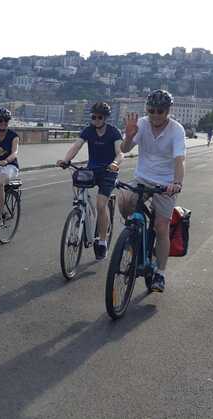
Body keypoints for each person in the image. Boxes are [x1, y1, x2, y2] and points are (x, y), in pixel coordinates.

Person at [118, 89, 185, 292]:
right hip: (142, 178)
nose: (155, 114)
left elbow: (180, 160)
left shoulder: (177, 130)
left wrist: (176, 182)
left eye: (160, 111)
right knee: (124, 201)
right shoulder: (141, 124)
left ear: (168, 111)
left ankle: (160, 273)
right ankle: (133, 235)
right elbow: (124, 149)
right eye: (152, 110)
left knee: (161, 227)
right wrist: (129, 136)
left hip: (165, 183)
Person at [56, 102, 123, 260]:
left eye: (100, 117)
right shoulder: (88, 131)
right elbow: (76, 146)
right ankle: (81, 212)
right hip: (92, 170)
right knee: (80, 191)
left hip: (108, 172)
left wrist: (115, 163)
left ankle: (102, 241)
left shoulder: (114, 132)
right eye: (94, 117)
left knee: (101, 205)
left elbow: (120, 153)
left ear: (105, 118)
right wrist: (66, 160)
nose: (96, 120)